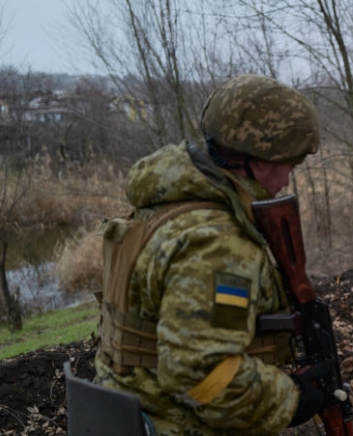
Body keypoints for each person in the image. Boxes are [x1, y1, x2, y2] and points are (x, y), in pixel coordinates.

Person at [92, 74, 330, 436]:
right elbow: (200, 373)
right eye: (290, 164)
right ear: (261, 161)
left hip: (131, 415)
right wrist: (291, 398)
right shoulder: (217, 243)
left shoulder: (162, 209)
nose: (287, 179)